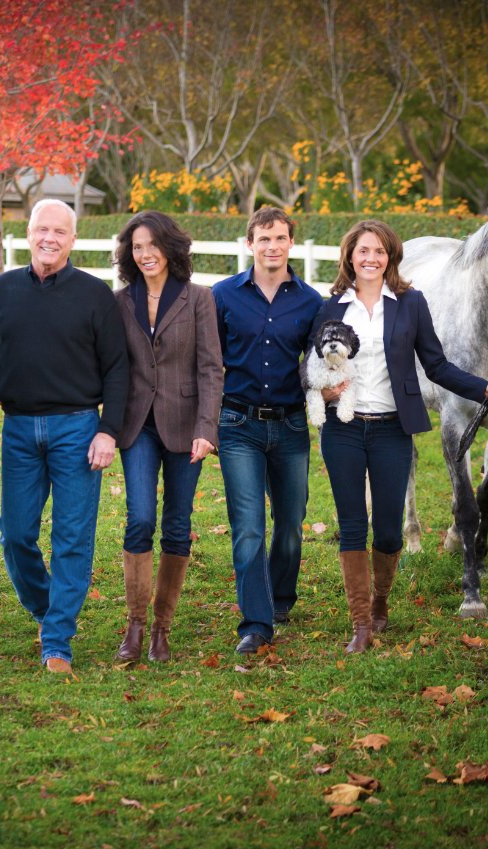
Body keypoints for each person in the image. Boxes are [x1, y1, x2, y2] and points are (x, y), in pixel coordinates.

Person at [312, 220, 488, 654]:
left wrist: (481, 387)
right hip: (343, 428)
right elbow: (309, 365)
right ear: (349, 256)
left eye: (379, 251)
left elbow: (437, 365)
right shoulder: (330, 307)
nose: (371, 258)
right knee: (351, 526)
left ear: (391, 258)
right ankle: (361, 621)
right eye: (363, 250)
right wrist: (321, 391)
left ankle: (381, 599)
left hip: (391, 429)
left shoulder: (410, 303)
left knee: (387, 533)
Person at [0, 198, 130, 674]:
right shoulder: (3, 289)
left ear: (73, 239)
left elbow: (118, 369)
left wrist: (108, 431)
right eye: (42, 229)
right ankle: (47, 610)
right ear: (28, 233)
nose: (50, 238)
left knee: (72, 537)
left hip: (78, 428)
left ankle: (58, 641)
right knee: (15, 534)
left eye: (59, 232)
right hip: (19, 428)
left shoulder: (94, 294)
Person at [211, 207, 323, 656]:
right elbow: (208, 363)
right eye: (263, 239)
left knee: (291, 522)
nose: (271, 246)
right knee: (248, 528)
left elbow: (320, 364)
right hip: (238, 425)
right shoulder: (222, 296)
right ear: (249, 244)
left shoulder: (311, 301)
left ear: (290, 243)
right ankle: (256, 623)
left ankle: (280, 597)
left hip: (291, 425)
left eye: (279, 238)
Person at [111, 211, 223, 663]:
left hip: (185, 425)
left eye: (152, 245)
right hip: (137, 424)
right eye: (136, 247)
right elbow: (114, 367)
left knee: (177, 525)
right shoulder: (120, 302)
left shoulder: (199, 299)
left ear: (170, 248)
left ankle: (161, 628)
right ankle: (135, 625)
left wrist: (206, 428)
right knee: (140, 518)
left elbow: (211, 368)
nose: (145, 254)